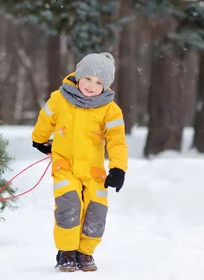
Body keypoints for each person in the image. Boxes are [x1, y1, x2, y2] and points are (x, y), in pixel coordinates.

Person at [31, 52, 128, 272]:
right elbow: (45, 118)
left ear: (106, 86)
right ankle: (66, 251)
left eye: (99, 82)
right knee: (69, 204)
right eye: (87, 79)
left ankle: (85, 252)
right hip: (65, 166)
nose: (91, 86)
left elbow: (116, 141)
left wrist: (118, 168)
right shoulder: (60, 98)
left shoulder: (110, 110)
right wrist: (39, 140)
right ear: (78, 76)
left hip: (94, 171)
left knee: (97, 209)